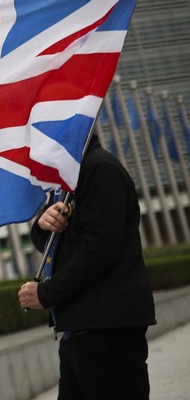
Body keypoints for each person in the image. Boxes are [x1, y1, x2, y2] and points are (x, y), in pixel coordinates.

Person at [18, 135, 156, 399]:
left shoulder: (99, 169)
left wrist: (46, 294)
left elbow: (100, 250)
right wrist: (41, 225)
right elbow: (50, 242)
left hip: (107, 329)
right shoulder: (67, 179)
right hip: (78, 330)